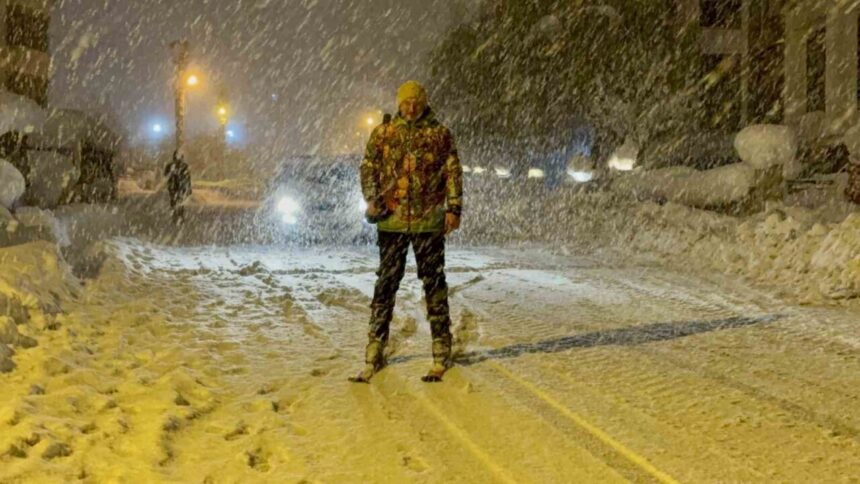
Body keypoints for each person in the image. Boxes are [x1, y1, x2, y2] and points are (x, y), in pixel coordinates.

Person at [351, 80, 463, 383]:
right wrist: (373, 198)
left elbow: (452, 170)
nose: (411, 106)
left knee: (434, 284)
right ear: (399, 103)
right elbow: (368, 165)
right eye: (406, 101)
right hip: (392, 223)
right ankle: (375, 345)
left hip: (429, 223)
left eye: (416, 101)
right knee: (386, 284)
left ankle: (441, 345)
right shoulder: (384, 133)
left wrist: (454, 207)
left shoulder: (439, 133)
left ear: (424, 102)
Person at [164, 149, 192, 224]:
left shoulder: (185, 166)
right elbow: (166, 176)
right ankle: (174, 216)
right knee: (173, 201)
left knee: (181, 201)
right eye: (177, 154)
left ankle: (181, 217)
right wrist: (171, 172)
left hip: (181, 186)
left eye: (179, 155)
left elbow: (188, 178)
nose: (178, 156)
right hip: (172, 186)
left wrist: (189, 189)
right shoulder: (170, 165)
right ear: (174, 155)